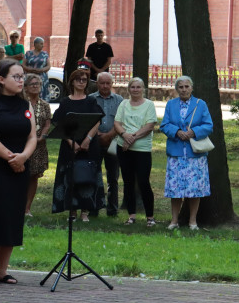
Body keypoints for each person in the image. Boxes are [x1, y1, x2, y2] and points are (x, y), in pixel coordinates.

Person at [0, 60, 37, 284]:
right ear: (1, 79)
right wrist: (11, 157)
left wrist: (23, 157)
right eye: (16, 77)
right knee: (0, 216)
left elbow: (32, 137)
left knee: (13, 217)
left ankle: (2, 270)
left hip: (21, 167)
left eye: (23, 76)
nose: (21, 80)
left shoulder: (25, 106)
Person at [51, 68, 105, 221]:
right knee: (70, 176)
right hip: (70, 145)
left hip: (89, 145)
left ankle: (85, 211)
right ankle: (72, 211)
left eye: (84, 80)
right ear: (72, 82)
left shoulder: (91, 101)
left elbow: (98, 120)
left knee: (87, 175)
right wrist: (71, 142)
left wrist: (88, 139)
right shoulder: (65, 102)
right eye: (78, 79)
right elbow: (58, 123)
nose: (81, 82)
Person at [160, 76, 213, 231]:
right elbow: (164, 125)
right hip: (176, 153)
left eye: (186, 86)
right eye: (181, 87)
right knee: (175, 189)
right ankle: (174, 220)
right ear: (177, 89)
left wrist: (193, 132)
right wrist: (176, 132)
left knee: (195, 189)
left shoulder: (200, 104)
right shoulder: (171, 104)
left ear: (192, 88)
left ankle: (192, 221)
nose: (184, 89)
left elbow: (208, 125)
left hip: (195, 154)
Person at [113, 77, 158, 227]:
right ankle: (131, 215)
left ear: (143, 89)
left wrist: (131, 138)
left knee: (144, 182)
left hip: (142, 149)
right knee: (128, 182)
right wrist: (124, 136)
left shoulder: (149, 105)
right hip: (123, 149)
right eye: (133, 87)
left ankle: (150, 217)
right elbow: (117, 123)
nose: (135, 90)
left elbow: (149, 125)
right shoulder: (124, 104)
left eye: (138, 87)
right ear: (129, 89)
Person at [91, 71, 123, 217]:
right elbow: (89, 120)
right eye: (102, 83)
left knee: (113, 178)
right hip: (94, 142)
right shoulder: (90, 99)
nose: (105, 86)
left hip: (113, 143)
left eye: (107, 83)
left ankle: (112, 209)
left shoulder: (119, 100)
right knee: (93, 175)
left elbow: (122, 122)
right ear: (97, 84)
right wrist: (97, 135)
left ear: (112, 83)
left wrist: (109, 135)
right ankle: (94, 207)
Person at [23, 74, 52, 216]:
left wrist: (42, 136)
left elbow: (47, 123)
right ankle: (17, 205)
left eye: (38, 84)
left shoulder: (45, 105)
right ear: (26, 87)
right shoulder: (21, 103)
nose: (35, 86)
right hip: (22, 144)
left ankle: (27, 208)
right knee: (20, 175)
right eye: (32, 84)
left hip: (39, 145)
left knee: (33, 176)